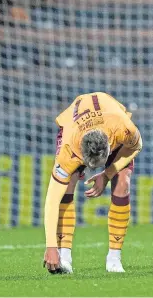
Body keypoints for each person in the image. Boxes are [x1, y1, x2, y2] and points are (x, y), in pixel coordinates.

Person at [42, 92, 142, 274]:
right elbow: (51, 200)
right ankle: (64, 256)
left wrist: (107, 174)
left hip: (109, 120)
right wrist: (50, 246)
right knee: (66, 187)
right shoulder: (69, 149)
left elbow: (137, 145)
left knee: (123, 183)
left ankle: (114, 258)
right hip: (75, 125)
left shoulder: (123, 128)